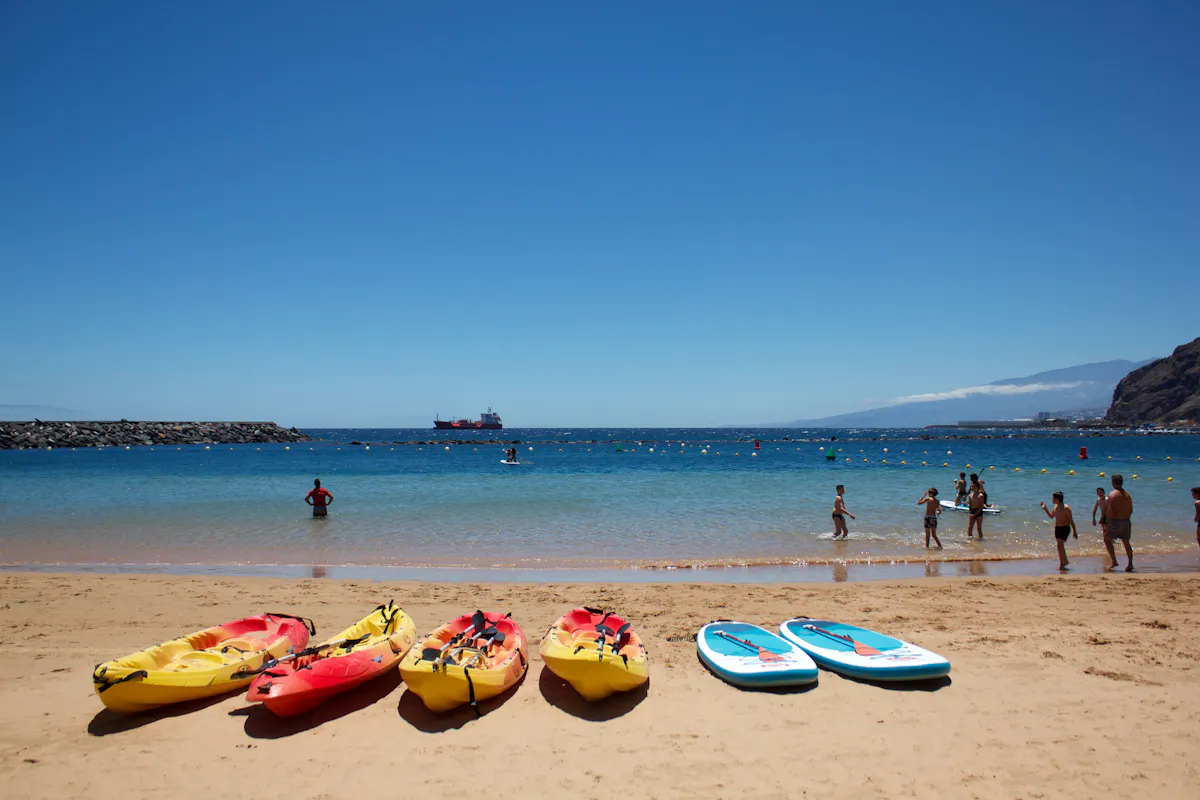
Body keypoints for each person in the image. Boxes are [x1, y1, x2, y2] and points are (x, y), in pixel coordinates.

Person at [1040, 491, 1077, 571]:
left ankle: (1064, 562)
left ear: (1058, 498)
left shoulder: (1066, 508)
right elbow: (1051, 516)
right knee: (1059, 546)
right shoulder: (1055, 507)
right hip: (1058, 528)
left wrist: (1074, 531)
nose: (1052, 499)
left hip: (1065, 528)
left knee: (1060, 544)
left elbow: (1071, 520)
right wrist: (1045, 508)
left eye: (1053, 498)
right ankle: (1062, 563)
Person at [1105, 474, 1134, 572]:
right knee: (1126, 543)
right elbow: (1131, 510)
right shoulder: (1128, 494)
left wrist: (1107, 523)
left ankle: (1114, 561)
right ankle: (1130, 564)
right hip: (1126, 520)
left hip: (1115, 521)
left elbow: (1110, 510)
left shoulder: (1112, 494)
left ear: (1113, 482)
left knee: (1107, 539)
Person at [1191, 487, 1199, 554]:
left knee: (1199, 538)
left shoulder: (1197, 502)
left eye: (1193, 493)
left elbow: (1198, 515)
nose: (1192, 495)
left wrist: (1195, 518)